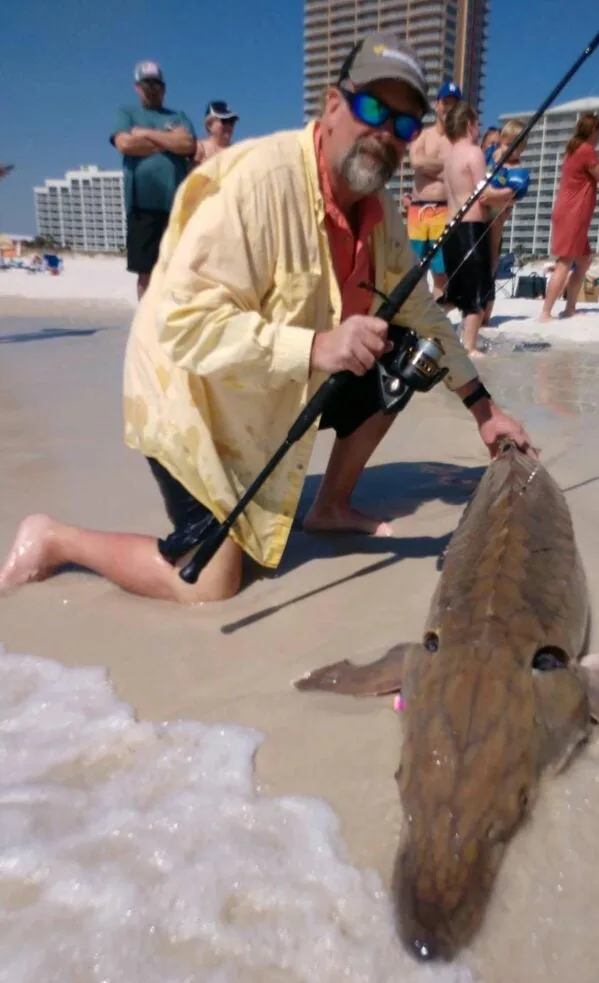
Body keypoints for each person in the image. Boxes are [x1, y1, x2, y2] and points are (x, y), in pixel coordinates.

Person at [0, 33, 533, 605]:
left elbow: (424, 313)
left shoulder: (380, 215)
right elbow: (184, 327)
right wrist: (314, 348)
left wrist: (485, 410)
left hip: (272, 389)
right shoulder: (255, 182)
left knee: (404, 355)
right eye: (373, 109)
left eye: (404, 124)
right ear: (333, 105)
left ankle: (330, 505)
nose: (386, 132)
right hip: (188, 393)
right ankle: (55, 539)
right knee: (209, 583)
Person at [440, 102, 522, 356]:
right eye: (477, 124)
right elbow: (483, 194)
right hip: (471, 228)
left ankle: (425, 326)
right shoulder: (473, 153)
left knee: (453, 292)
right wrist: (512, 191)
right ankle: (470, 346)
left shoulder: (448, 156)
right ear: (468, 125)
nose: (479, 129)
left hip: (450, 229)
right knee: (476, 289)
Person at [111, 61, 197, 300]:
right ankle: (145, 328)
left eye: (156, 83)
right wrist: (169, 142)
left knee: (176, 270)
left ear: (164, 87)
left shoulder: (178, 116)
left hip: (176, 207)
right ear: (136, 86)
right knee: (146, 273)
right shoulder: (126, 113)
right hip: (142, 205)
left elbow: (187, 145)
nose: (152, 88)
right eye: (146, 83)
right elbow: (125, 144)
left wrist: (146, 134)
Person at [539, 113, 599, 322]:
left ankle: (570, 307)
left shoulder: (573, 149)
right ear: (592, 131)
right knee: (565, 261)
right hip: (574, 213)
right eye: (598, 132)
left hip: (569, 211)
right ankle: (546, 312)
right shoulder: (586, 150)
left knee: (584, 259)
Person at [406, 79, 462, 299]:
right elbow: (416, 162)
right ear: (437, 104)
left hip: (444, 210)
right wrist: (443, 167)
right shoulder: (422, 135)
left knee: (441, 269)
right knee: (415, 266)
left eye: (454, 104)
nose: (448, 108)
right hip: (418, 209)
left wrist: (433, 167)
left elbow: (456, 171)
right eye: (445, 102)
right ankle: (416, 311)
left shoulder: (458, 140)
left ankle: (437, 313)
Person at [483, 118, 530, 322]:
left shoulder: (517, 168)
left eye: (517, 146)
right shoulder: (491, 156)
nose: (511, 150)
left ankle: (485, 313)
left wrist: (490, 196)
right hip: (480, 211)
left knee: (491, 257)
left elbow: (513, 193)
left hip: (496, 215)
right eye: (507, 143)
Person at [194, 100, 239, 166]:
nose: (229, 126)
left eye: (232, 122)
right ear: (209, 125)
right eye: (225, 121)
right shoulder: (200, 148)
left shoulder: (237, 152)